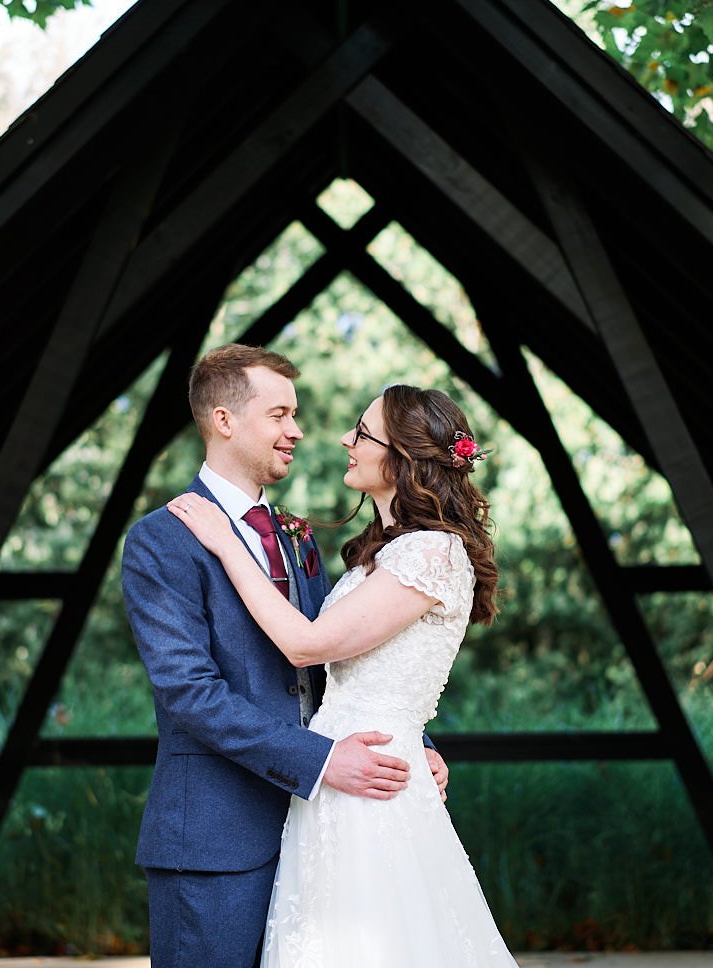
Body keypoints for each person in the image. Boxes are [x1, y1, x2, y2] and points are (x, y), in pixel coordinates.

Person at [168, 383, 518, 966]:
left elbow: (307, 647)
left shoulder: (431, 554)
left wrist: (229, 548)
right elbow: (361, 670)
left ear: (402, 459)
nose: (343, 440)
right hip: (335, 782)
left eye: (362, 433)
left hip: (372, 789)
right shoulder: (380, 555)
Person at [121, 344, 449, 968]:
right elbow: (191, 693)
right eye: (279, 414)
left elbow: (341, 662)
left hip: (323, 837)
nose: (296, 430)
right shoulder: (161, 540)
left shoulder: (297, 536)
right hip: (215, 844)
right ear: (224, 420)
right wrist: (323, 761)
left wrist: (413, 746)